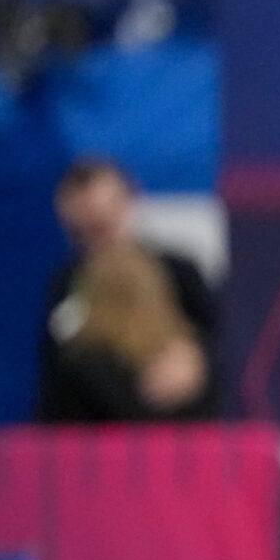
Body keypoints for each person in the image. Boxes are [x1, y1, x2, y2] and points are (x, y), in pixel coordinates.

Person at [34, 157, 217, 423]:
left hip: (180, 435)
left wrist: (198, 362)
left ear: (128, 201)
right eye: (85, 227)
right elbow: (55, 380)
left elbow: (220, 342)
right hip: (98, 438)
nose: (98, 233)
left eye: (105, 219)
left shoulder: (178, 271)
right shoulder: (65, 285)